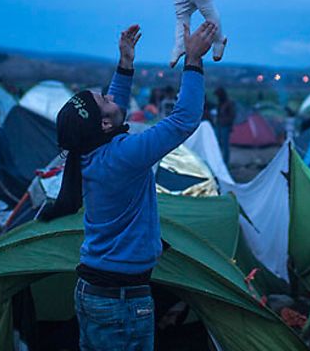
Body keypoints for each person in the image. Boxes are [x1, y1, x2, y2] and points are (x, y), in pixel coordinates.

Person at [39, 21, 216, 351]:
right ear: (104, 123)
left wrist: (125, 64)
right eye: (104, 98)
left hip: (94, 293)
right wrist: (193, 60)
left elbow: (108, 115)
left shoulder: (87, 154)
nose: (110, 96)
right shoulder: (123, 157)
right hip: (121, 301)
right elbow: (184, 120)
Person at [214, 87, 236, 166]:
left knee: (225, 145)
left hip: (225, 125)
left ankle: (225, 163)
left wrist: (228, 123)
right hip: (219, 125)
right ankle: (220, 161)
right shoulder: (220, 103)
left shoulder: (228, 103)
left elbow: (232, 115)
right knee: (218, 143)